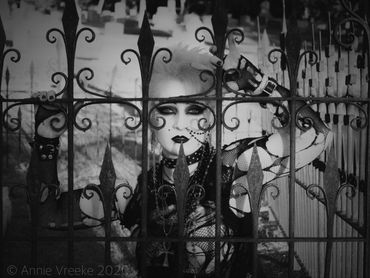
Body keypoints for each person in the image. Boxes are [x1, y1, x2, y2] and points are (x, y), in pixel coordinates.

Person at [28, 41, 332, 277]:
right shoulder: (134, 194)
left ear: (212, 116)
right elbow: (48, 215)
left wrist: (255, 83)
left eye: (195, 109)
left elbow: (316, 134)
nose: (180, 124)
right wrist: (46, 138)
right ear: (150, 118)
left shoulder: (235, 165)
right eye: (168, 110)